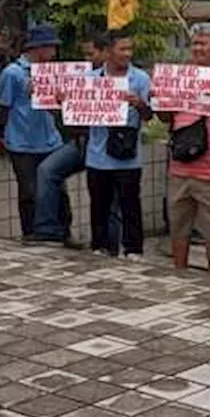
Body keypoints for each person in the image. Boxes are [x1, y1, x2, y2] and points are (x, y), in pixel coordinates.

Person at [162, 23, 210, 273]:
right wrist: (160, 101)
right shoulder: (178, 78)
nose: (197, 48)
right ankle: (179, 271)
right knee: (178, 223)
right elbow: (166, 118)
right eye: (194, 43)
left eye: (203, 43)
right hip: (180, 165)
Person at [0, 24, 66, 239]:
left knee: (57, 188)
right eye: (50, 48)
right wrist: (1, 135)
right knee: (28, 191)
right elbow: (3, 107)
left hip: (50, 139)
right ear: (38, 48)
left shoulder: (54, 73)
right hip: (22, 141)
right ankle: (31, 232)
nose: (54, 53)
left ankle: (62, 230)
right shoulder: (13, 73)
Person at [86, 32, 151, 259]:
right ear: (109, 51)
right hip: (97, 152)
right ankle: (100, 246)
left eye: (129, 49)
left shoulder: (141, 78)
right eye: (122, 49)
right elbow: (75, 116)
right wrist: (62, 100)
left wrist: (139, 104)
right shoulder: (91, 78)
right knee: (99, 205)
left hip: (128, 154)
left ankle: (133, 248)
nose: (127, 54)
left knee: (130, 204)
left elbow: (150, 115)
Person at [28, 37, 97, 247]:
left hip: (110, 145)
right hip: (81, 141)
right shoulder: (81, 78)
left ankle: (109, 244)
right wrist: (50, 100)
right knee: (47, 171)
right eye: (85, 55)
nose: (88, 60)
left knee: (106, 194)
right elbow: (70, 121)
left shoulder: (118, 79)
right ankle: (49, 230)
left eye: (91, 55)